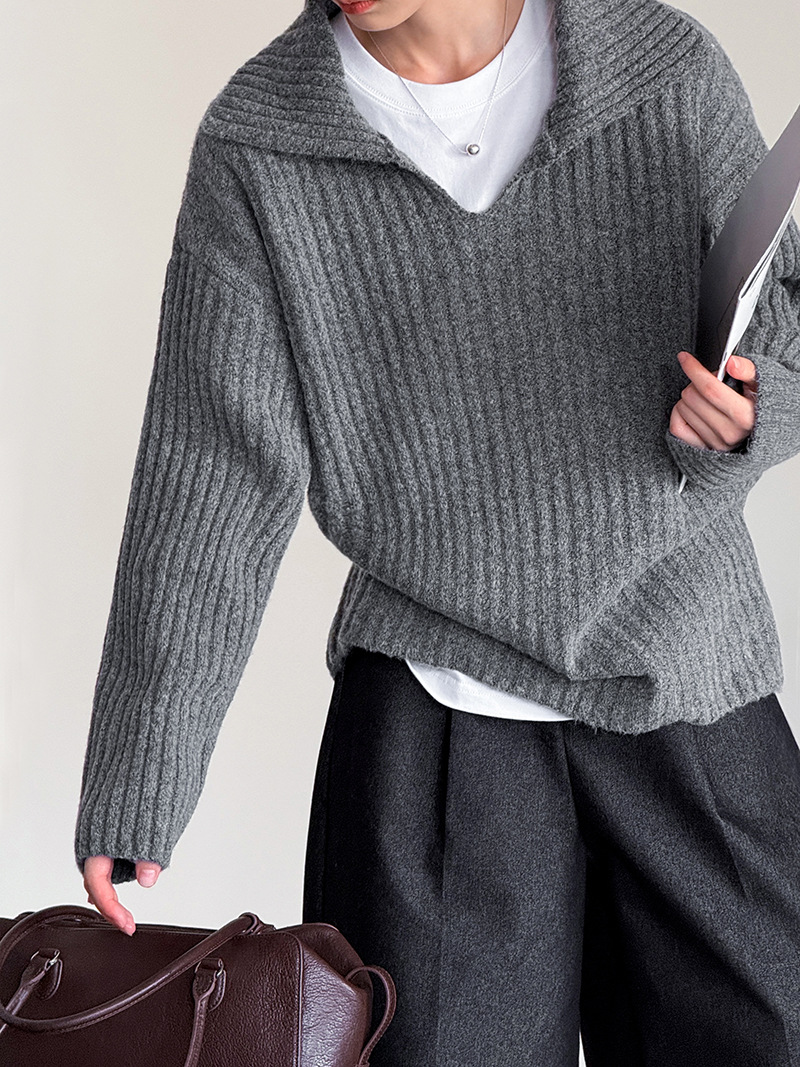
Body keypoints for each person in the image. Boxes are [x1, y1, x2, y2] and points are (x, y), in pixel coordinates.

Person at [76, 0, 800, 1061]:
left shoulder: (660, 66)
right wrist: (140, 772)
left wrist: (754, 409)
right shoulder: (261, 140)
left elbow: (782, 317)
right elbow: (213, 472)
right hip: (431, 714)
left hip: (687, 672)